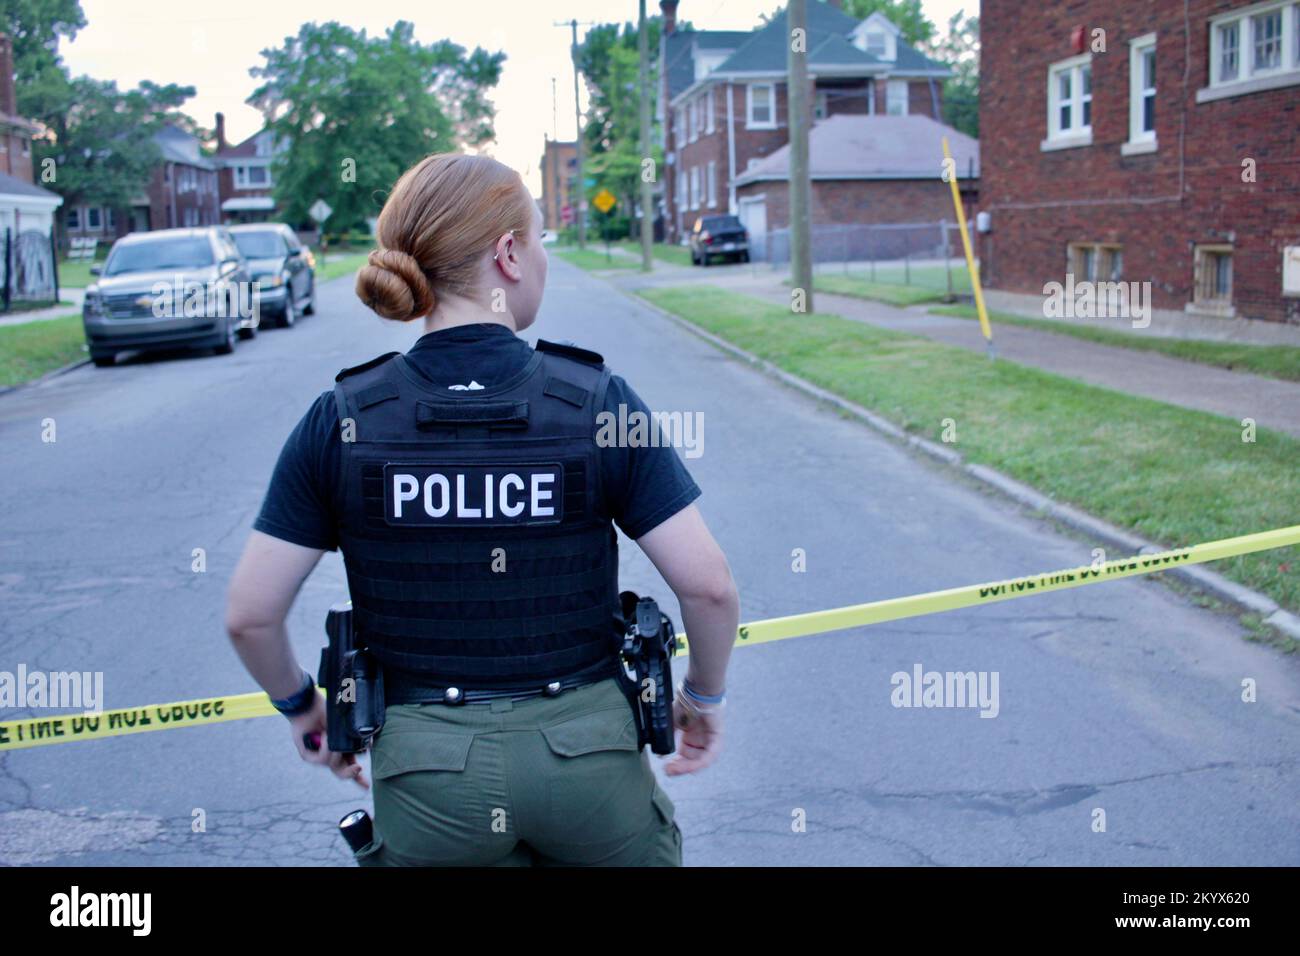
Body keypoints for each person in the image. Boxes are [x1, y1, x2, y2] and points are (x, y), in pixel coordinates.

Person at [224, 153, 739, 866]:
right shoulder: (593, 400)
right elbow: (709, 586)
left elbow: (250, 615)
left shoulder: (343, 417)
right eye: (535, 240)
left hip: (429, 777)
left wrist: (301, 708)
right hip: (589, 767)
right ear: (507, 254)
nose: (542, 262)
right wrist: (702, 700)